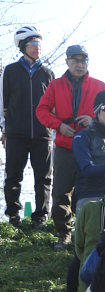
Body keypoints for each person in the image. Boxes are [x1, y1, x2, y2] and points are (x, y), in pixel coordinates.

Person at [36, 44, 105, 251]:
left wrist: (94, 121)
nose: (79, 64)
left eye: (83, 60)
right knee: (61, 190)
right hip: (65, 146)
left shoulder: (99, 85)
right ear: (67, 61)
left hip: (92, 147)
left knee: (91, 191)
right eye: (75, 60)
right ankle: (63, 233)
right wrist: (59, 125)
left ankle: (88, 232)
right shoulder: (56, 85)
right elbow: (41, 110)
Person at [2, 25, 54, 229]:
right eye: (33, 43)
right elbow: (2, 101)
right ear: (23, 46)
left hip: (43, 133)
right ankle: (13, 215)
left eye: (39, 43)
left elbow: (54, 105)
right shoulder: (11, 71)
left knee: (44, 177)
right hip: (16, 132)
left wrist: (54, 130)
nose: (37, 47)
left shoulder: (48, 73)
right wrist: (4, 127)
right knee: (13, 175)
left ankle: (41, 217)